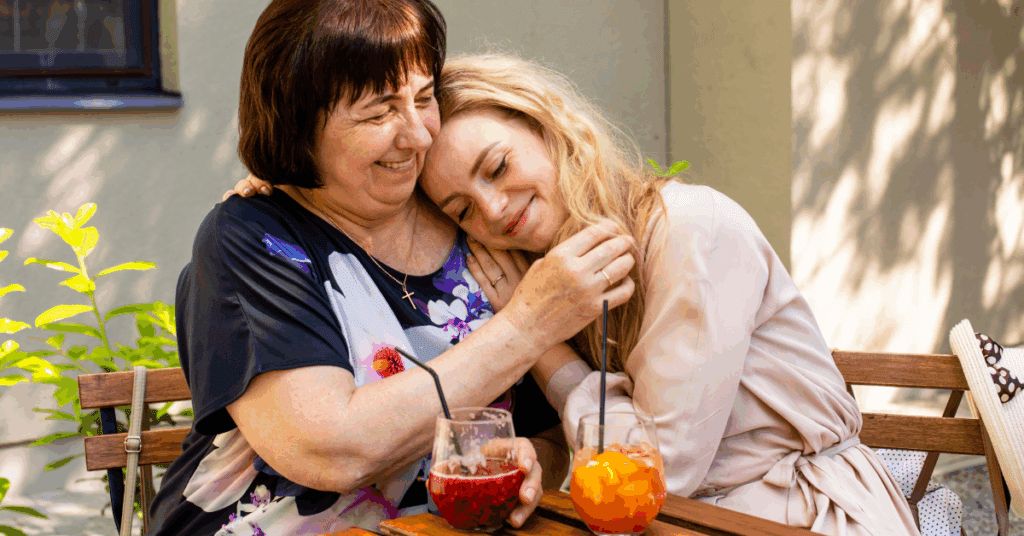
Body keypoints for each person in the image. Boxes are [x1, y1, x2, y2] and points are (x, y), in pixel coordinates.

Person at [234, 52, 922, 535]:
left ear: (547, 123)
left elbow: (652, 475)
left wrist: (547, 351)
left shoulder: (685, 229)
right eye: (464, 209)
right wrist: (292, 189)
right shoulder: (563, 269)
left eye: (497, 167)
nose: (496, 209)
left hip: (800, 518)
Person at [148, 2, 638, 534]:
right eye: (380, 112)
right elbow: (330, 451)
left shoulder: (470, 214)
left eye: (424, 98)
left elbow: (543, 433)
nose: (420, 135)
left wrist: (526, 458)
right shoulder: (253, 238)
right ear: (300, 125)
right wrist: (526, 325)